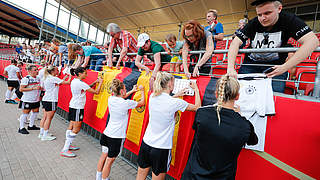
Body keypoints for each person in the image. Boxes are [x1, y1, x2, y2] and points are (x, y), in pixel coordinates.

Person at [227, 0, 319, 93]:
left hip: (275, 67)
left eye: (267, 13)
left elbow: (313, 41)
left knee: (274, 97)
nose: (263, 18)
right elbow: (235, 42)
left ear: (279, 8)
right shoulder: (253, 22)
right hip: (250, 65)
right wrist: (230, 68)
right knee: (243, 94)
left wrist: (285, 67)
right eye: (259, 15)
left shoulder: (289, 20)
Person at [181, 75, 258, 180]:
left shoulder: (202, 113)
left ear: (217, 94)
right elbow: (253, 141)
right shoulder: (245, 125)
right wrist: (239, 116)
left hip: (193, 175)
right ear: (237, 96)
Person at [136, 72, 201, 180]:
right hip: (161, 149)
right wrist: (196, 89)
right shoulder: (174, 102)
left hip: (146, 143)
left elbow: (165, 101)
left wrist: (177, 94)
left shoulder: (153, 96)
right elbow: (197, 107)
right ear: (170, 84)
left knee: (140, 177)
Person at [96, 79, 145, 180]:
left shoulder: (111, 98)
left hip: (107, 133)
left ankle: (98, 177)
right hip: (116, 137)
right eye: (125, 89)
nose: (126, 90)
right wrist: (142, 91)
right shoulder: (125, 103)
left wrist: (132, 91)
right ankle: (104, 179)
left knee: (103, 157)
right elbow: (142, 103)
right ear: (122, 91)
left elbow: (122, 96)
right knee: (109, 162)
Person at [60, 67, 103, 158]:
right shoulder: (80, 83)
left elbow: (85, 88)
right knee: (76, 128)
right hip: (78, 107)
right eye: (85, 73)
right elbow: (96, 92)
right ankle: (65, 149)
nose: (86, 75)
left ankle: (68, 144)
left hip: (73, 105)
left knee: (71, 126)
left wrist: (95, 83)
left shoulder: (75, 81)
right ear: (80, 74)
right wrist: (101, 83)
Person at [39, 65, 71, 141]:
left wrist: (64, 78)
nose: (58, 72)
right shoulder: (53, 78)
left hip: (46, 99)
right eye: (57, 70)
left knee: (45, 117)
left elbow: (58, 84)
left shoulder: (46, 77)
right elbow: (68, 83)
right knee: (49, 118)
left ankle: (42, 133)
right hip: (51, 100)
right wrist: (70, 75)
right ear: (53, 71)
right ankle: (45, 135)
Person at [18, 65, 41, 134]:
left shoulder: (38, 78)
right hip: (27, 99)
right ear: (30, 71)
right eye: (35, 70)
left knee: (35, 111)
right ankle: (21, 128)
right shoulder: (26, 79)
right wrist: (33, 88)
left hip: (36, 99)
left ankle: (31, 125)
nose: (37, 71)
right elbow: (21, 89)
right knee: (25, 113)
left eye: (37, 69)